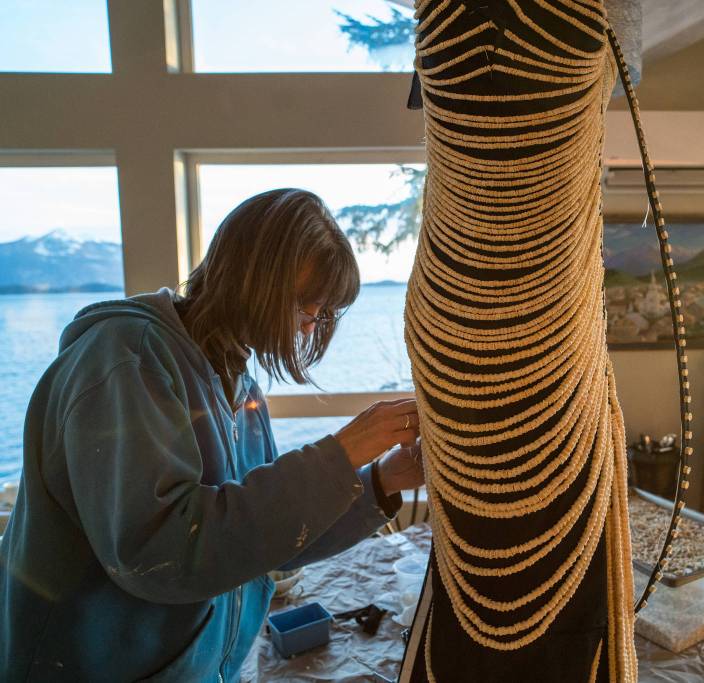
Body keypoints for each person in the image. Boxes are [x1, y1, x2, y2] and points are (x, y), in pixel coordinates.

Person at [0, 188, 424, 681]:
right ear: (255, 280)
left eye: (322, 314)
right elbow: (161, 552)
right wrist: (341, 451)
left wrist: (382, 478)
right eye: (308, 308)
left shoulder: (238, 384)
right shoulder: (127, 359)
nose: (310, 329)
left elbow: (266, 534)